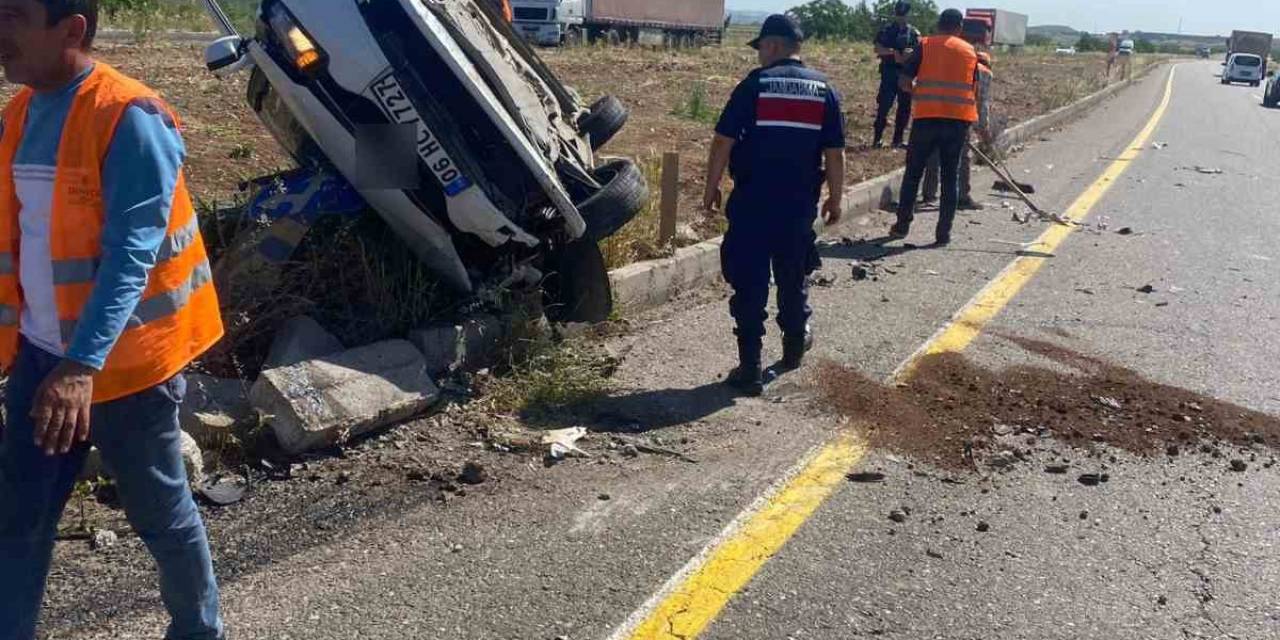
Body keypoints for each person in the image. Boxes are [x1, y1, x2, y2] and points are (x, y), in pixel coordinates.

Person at [0, 1, 226, 639]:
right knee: (18, 521)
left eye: (15, 15)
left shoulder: (129, 116)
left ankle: (199, 631)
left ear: (72, 29)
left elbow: (132, 254)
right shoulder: (19, 113)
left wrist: (81, 368)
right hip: (43, 360)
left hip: (120, 371)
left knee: (160, 514)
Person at [703, 14, 846, 396]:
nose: (760, 56)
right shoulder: (824, 90)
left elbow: (723, 141)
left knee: (750, 280)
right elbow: (834, 152)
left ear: (773, 46)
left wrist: (711, 187)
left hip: (753, 201)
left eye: (762, 48)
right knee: (792, 274)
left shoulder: (755, 85)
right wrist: (836, 195)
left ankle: (749, 368)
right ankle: (794, 347)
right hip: (798, 204)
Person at [889, 8, 979, 246]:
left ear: (939, 24)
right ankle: (943, 234)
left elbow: (904, 81)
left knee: (913, 174)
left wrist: (920, 92)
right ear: (959, 28)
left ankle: (901, 227)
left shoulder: (925, 45)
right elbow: (973, 89)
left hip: (927, 119)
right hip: (958, 122)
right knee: (950, 178)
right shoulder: (970, 51)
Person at [920, 21, 994, 211]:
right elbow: (981, 104)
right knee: (961, 158)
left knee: (933, 154)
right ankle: (961, 196)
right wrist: (984, 131)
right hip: (959, 118)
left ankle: (929, 194)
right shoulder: (982, 70)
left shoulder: (945, 52)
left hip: (933, 112)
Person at [872, 1, 920, 149]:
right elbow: (878, 48)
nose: (901, 18)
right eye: (899, 14)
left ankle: (897, 140)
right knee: (884, 107)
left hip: (906, 73)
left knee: (904, 108)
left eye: (904, 15)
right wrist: (894, 53)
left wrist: (909, 54)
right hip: (889, 72)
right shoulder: (886, 30)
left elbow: (919, 51)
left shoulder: (913, 33)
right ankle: (877, 139)